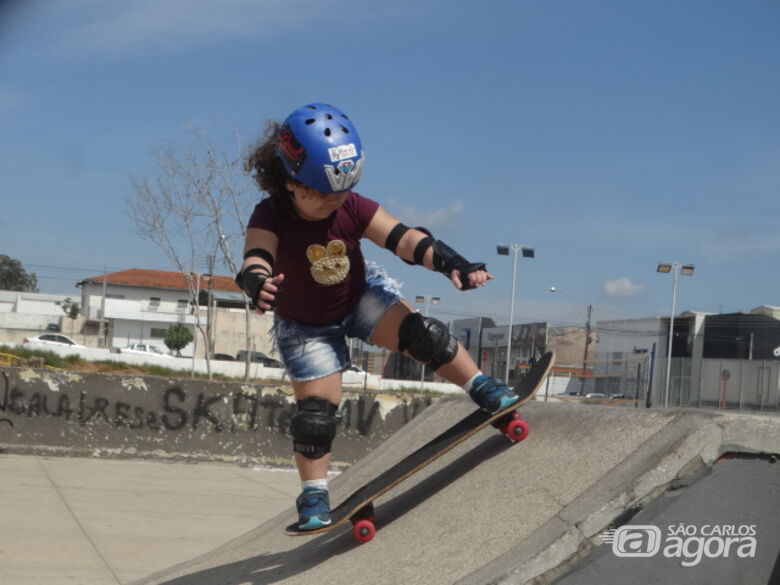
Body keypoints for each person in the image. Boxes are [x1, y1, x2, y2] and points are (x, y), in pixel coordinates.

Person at [237, 103, 520, 530]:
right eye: (322, 194)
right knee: (315, 416)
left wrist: (452, 263)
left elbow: (404, 238)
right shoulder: (269, 214)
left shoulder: (352, 206)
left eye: (341, 192)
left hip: (358, 299)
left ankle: (481, 386)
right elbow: (256, 255)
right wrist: (258, 283)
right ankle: (313, 494)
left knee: (424, 336)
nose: (334, 202)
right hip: (303, 327)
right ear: (291, 182)